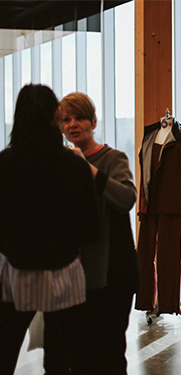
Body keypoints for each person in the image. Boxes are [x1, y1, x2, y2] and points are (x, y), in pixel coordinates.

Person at [0, 84, 99, 374]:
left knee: (4, 352)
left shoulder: (4, 164)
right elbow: (90, 229)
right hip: (64, 275)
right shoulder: (75, 167)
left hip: (15, 274)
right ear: (56, 115)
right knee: (59, 360)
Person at [59, 92, 139, 374]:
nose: (72, 124)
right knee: (78, 353)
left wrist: (88, 169)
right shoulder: (62, 165)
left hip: (112, 272)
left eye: (79, 117)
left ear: (93, 121)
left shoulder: (113, 158)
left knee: (110, 351)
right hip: (74, 274)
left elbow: (127, 198)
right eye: (66, 119)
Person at [135, 111, 181, 315]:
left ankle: (168, 305)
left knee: (169, 255)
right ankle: (146, 301)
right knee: (144, 254)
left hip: (172, 204)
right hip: (149, 202)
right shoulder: (149, 134)